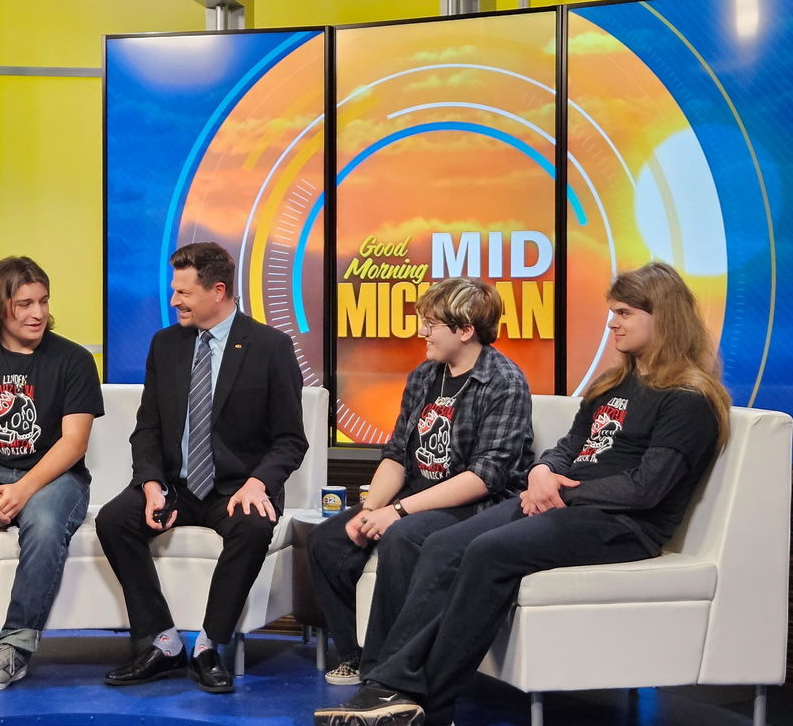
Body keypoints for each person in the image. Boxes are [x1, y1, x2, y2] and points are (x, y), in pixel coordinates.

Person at [314, 262, 731, 726]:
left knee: (488, 551)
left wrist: (562, 493)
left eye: (625, 313)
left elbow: (646, 489)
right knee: (440, 543)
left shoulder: (689, 398)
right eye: (612, 311)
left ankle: (428, 702)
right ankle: (388, 686)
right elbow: (570, 446)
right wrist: (542, 475)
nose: (612, 322)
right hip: (561, 502)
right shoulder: (613, 383)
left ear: (664, 318)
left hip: (622, 523)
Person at [96, 241, 308, 693]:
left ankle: (210, 645)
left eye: (183, 293)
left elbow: (290, 439)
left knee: (252, 528)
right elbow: (147, 428)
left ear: (218, 290)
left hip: (236, 488)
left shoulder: (270, 346)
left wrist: (258, 483)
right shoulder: (166, 344)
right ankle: (163, 641)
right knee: (115, 520)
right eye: (174, 291)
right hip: (176, 485)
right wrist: (150, 483)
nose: (173, 301)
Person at [307, 277, 533, 686]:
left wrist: (398, 512)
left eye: (431, 324)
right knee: (328, 539)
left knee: (405, 536)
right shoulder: (425, 376)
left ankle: (385, 671)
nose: (421, 332)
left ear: (465, 330)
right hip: (417, 493)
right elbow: (397, 455)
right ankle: (354, 655)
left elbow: (487, 476)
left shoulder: (504, 381)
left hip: (477, 504)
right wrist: (373, 509)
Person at [0, 256, 104, 692]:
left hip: (53, 477)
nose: (38, 313)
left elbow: (74, 442)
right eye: (25, 303)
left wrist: (24, 489)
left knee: (45, 526)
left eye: (43, 301)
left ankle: (14, 647)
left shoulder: (75, 360)